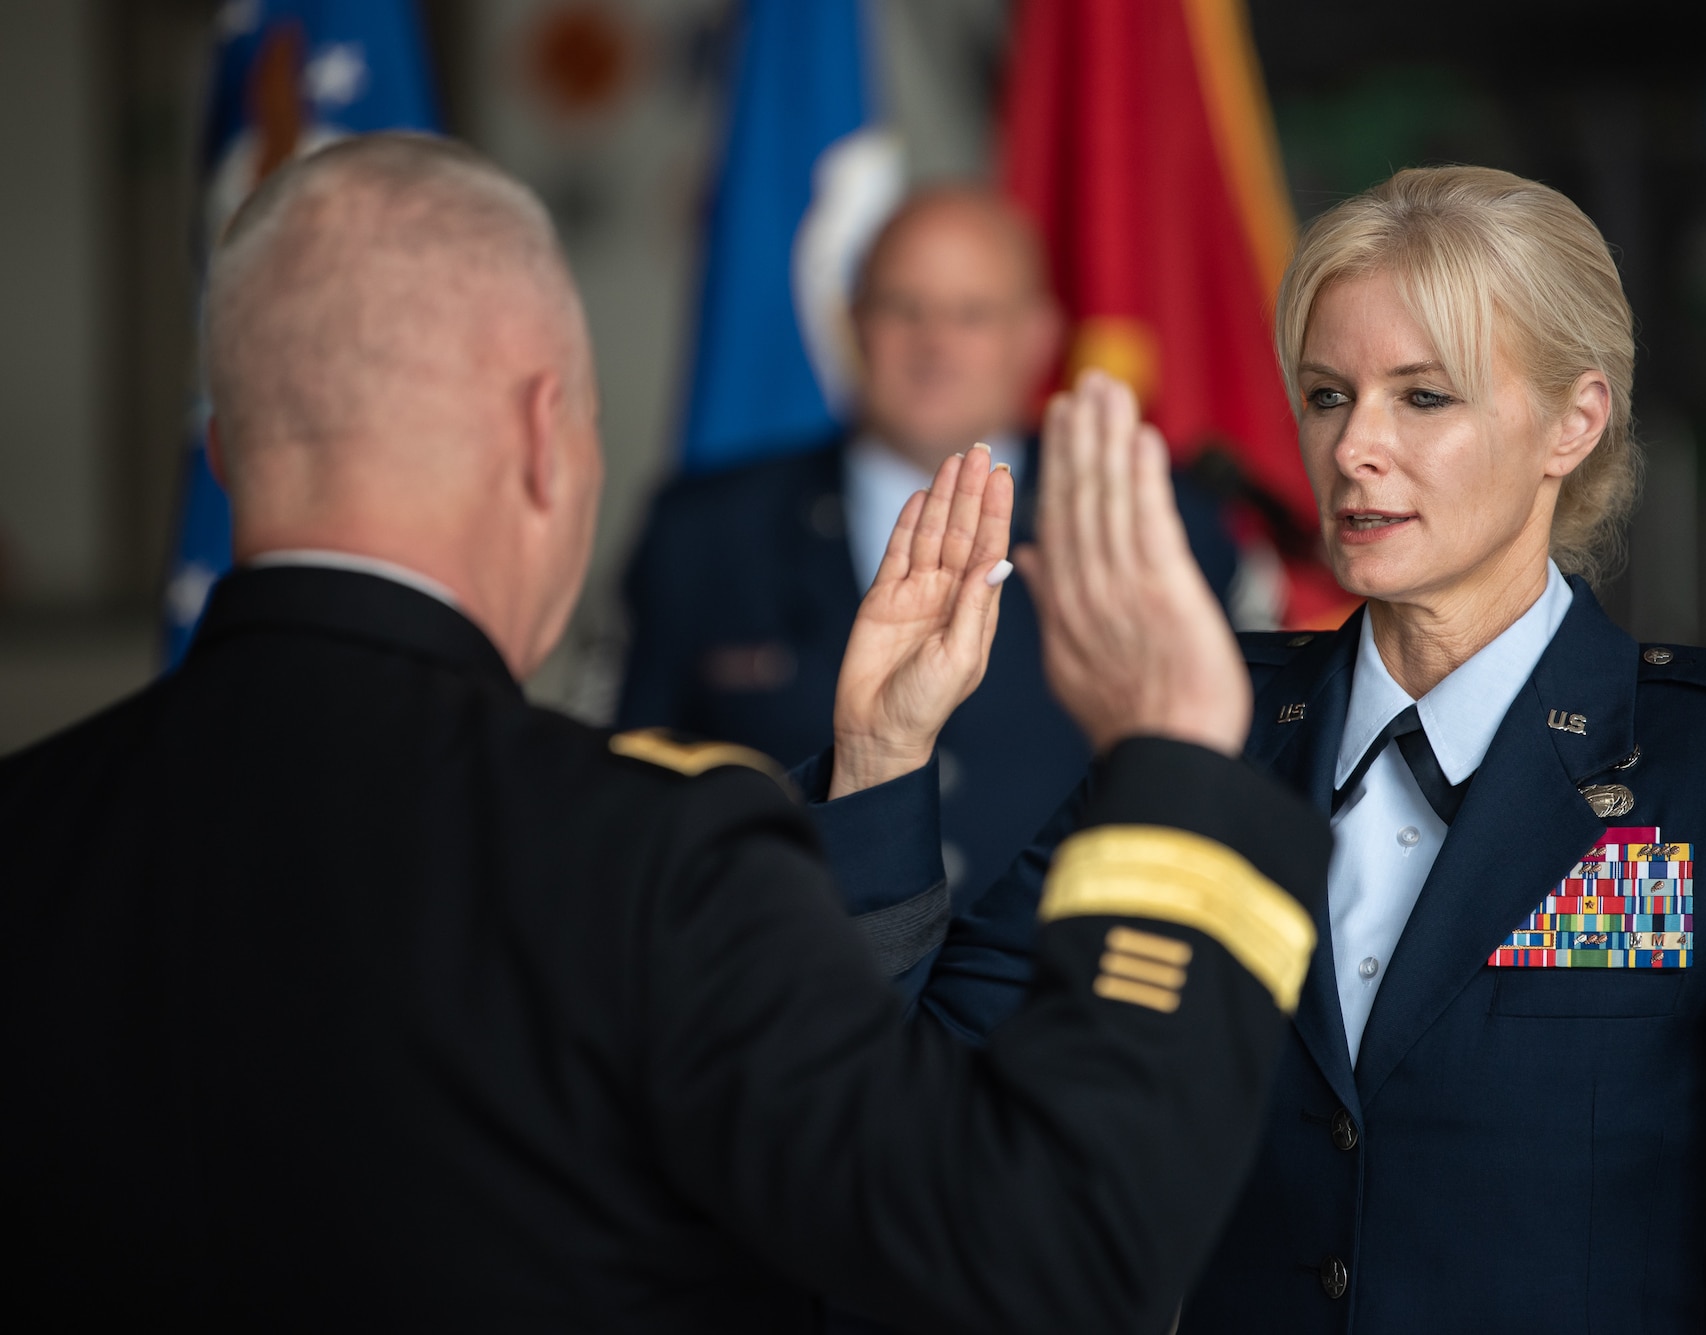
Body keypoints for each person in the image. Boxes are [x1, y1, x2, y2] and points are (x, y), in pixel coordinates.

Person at [0, 134, 1334, 1333]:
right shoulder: (649, 855)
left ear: (224, 453)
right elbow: (1047, 1245)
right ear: (544, 436)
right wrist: (1176, 778)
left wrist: (873, 771)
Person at [848, 168, 1706, 1330]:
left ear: (1570, 423)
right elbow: (902, 1098)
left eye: (1422, 399)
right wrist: (882, 751)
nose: (1354, 447)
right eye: (1328, 395)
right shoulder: (1199, 729)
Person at [618, 187, 1239, 904]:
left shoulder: (1155, 519)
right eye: (903, 308)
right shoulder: (704, 528)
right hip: (787, 985)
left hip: (1058, 992)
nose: (935, 343)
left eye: (972, 313)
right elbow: (639, 799)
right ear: (852, 323)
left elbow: (1209, 789)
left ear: (1038, 335)